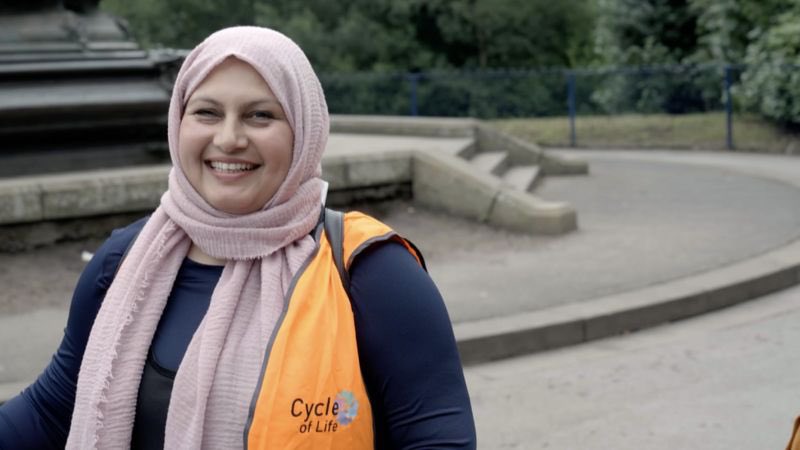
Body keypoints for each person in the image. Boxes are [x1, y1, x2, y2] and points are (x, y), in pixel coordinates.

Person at [0, 26, 476, 449]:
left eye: (260, 115)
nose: (228, 138)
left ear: (305, 131)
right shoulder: (123, 261)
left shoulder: (372, 273)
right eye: (207, 112)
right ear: (178, 123)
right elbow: (51, 411)